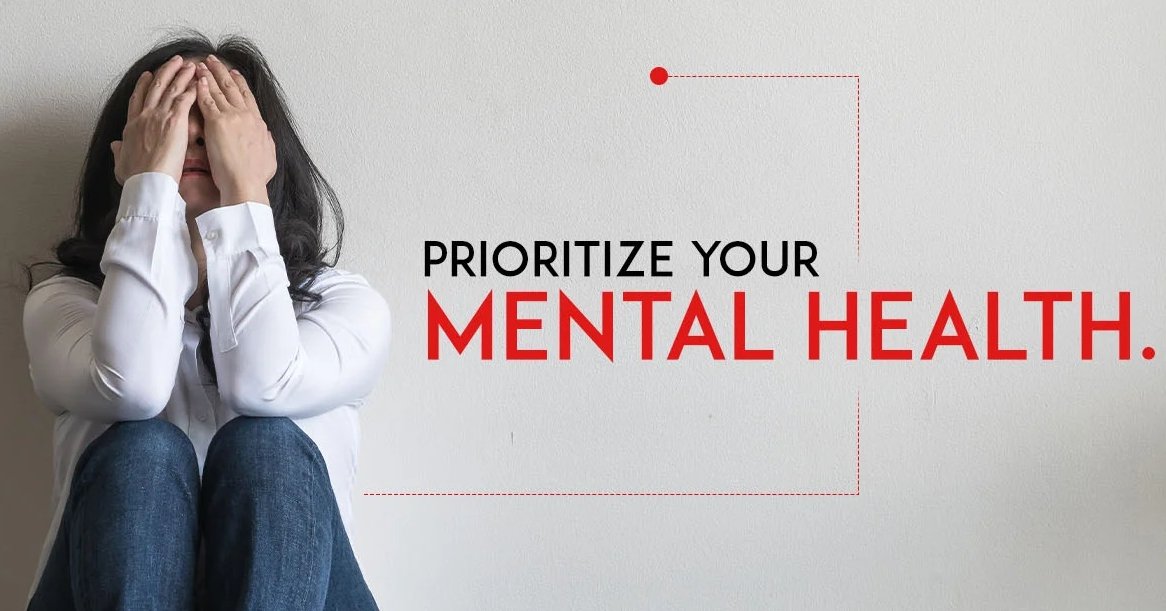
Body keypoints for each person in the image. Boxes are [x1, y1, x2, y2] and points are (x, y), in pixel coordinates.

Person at [20, 32, 391, 610]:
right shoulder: (64, 305)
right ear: (124, 152)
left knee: (267, 446)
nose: (194, 135)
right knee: (141, 451)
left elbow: (264, 386)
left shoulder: (342, 306)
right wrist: (150, 190)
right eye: (170, 116)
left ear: (265, 148)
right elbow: (133, 389)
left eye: (218, 117)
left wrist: (245, 189)